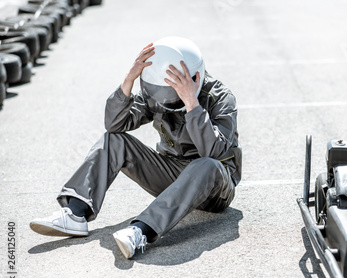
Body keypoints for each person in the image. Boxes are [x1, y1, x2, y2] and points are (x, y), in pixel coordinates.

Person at [30, 36, 242, 259]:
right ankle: (76, 213)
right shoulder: (160, 91)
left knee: (206, 164)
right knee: (113, 140)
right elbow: (115, 125)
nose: (167, 102)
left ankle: (141, 230)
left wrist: (190, 102)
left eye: (174, 96)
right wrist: (129, 80)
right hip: (172, 175)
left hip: (215, 186)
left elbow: (215, 152)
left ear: (196, 79)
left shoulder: (222, 98)